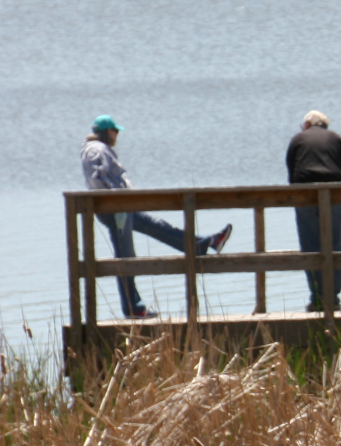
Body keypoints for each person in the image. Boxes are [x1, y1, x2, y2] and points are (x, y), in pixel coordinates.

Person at [80, 115, 232, 319]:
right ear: (108, 131)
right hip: (116, 210)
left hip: (122, 207)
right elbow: (98, 179)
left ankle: (203, 244)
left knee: (157, 226)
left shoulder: (97, 148)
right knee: (125, 257)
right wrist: (116, 198)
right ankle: (133, 308)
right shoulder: (96, 150)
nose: (117, 136)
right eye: (115, 131)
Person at [286, 110, 341, 311]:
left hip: (304, 196)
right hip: (334, 196)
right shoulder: (336, 139)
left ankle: (317, 297)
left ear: (307, 124)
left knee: (310, 246)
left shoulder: (297, 139)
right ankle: (333, 297)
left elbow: (291, 175)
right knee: (334, 245)